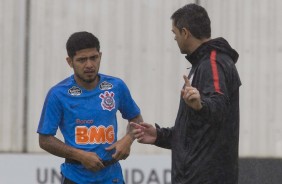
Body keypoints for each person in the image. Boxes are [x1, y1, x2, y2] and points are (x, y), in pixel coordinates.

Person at [131, 3, 241, 184]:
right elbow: (196, 131)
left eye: (174, 33)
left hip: (205, 178)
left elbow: (218, 106)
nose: (174, 39)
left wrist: (200, 105)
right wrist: (159, 135)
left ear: (185, 32)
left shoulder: (213, 62)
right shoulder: (203, 63)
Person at [37, 31, 143, 184]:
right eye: (82, 60)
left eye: (94, 58)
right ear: (70, 61)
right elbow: (45, 139)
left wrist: (128, 139)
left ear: (100, 56)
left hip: (112, 176)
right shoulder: (58, 94)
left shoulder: (116, 86)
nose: (89, 65)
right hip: (75, 177)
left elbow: (136, 119)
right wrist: (79, 155)